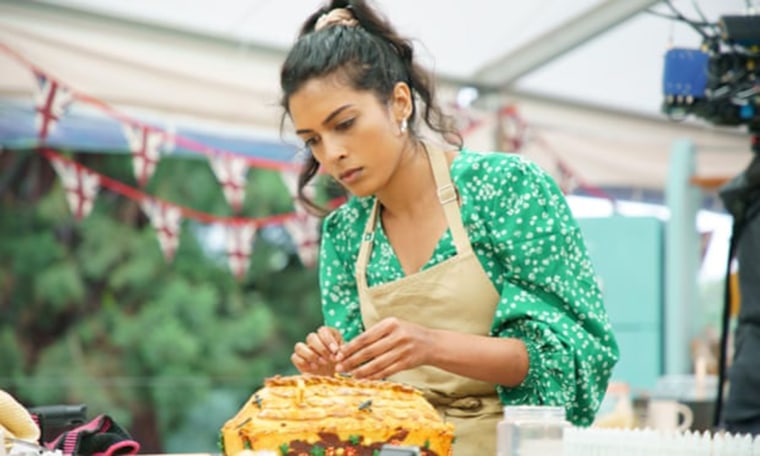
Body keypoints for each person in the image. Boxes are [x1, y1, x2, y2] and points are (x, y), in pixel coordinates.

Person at [281, 1, 620, 453]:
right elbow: (361, 408)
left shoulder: (506, 189)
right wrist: (331, 376)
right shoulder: (345, 234)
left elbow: (573, 365)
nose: (331, 154)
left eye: (344, 124)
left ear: (399, 102)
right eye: (313, 141)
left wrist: (432, 345)